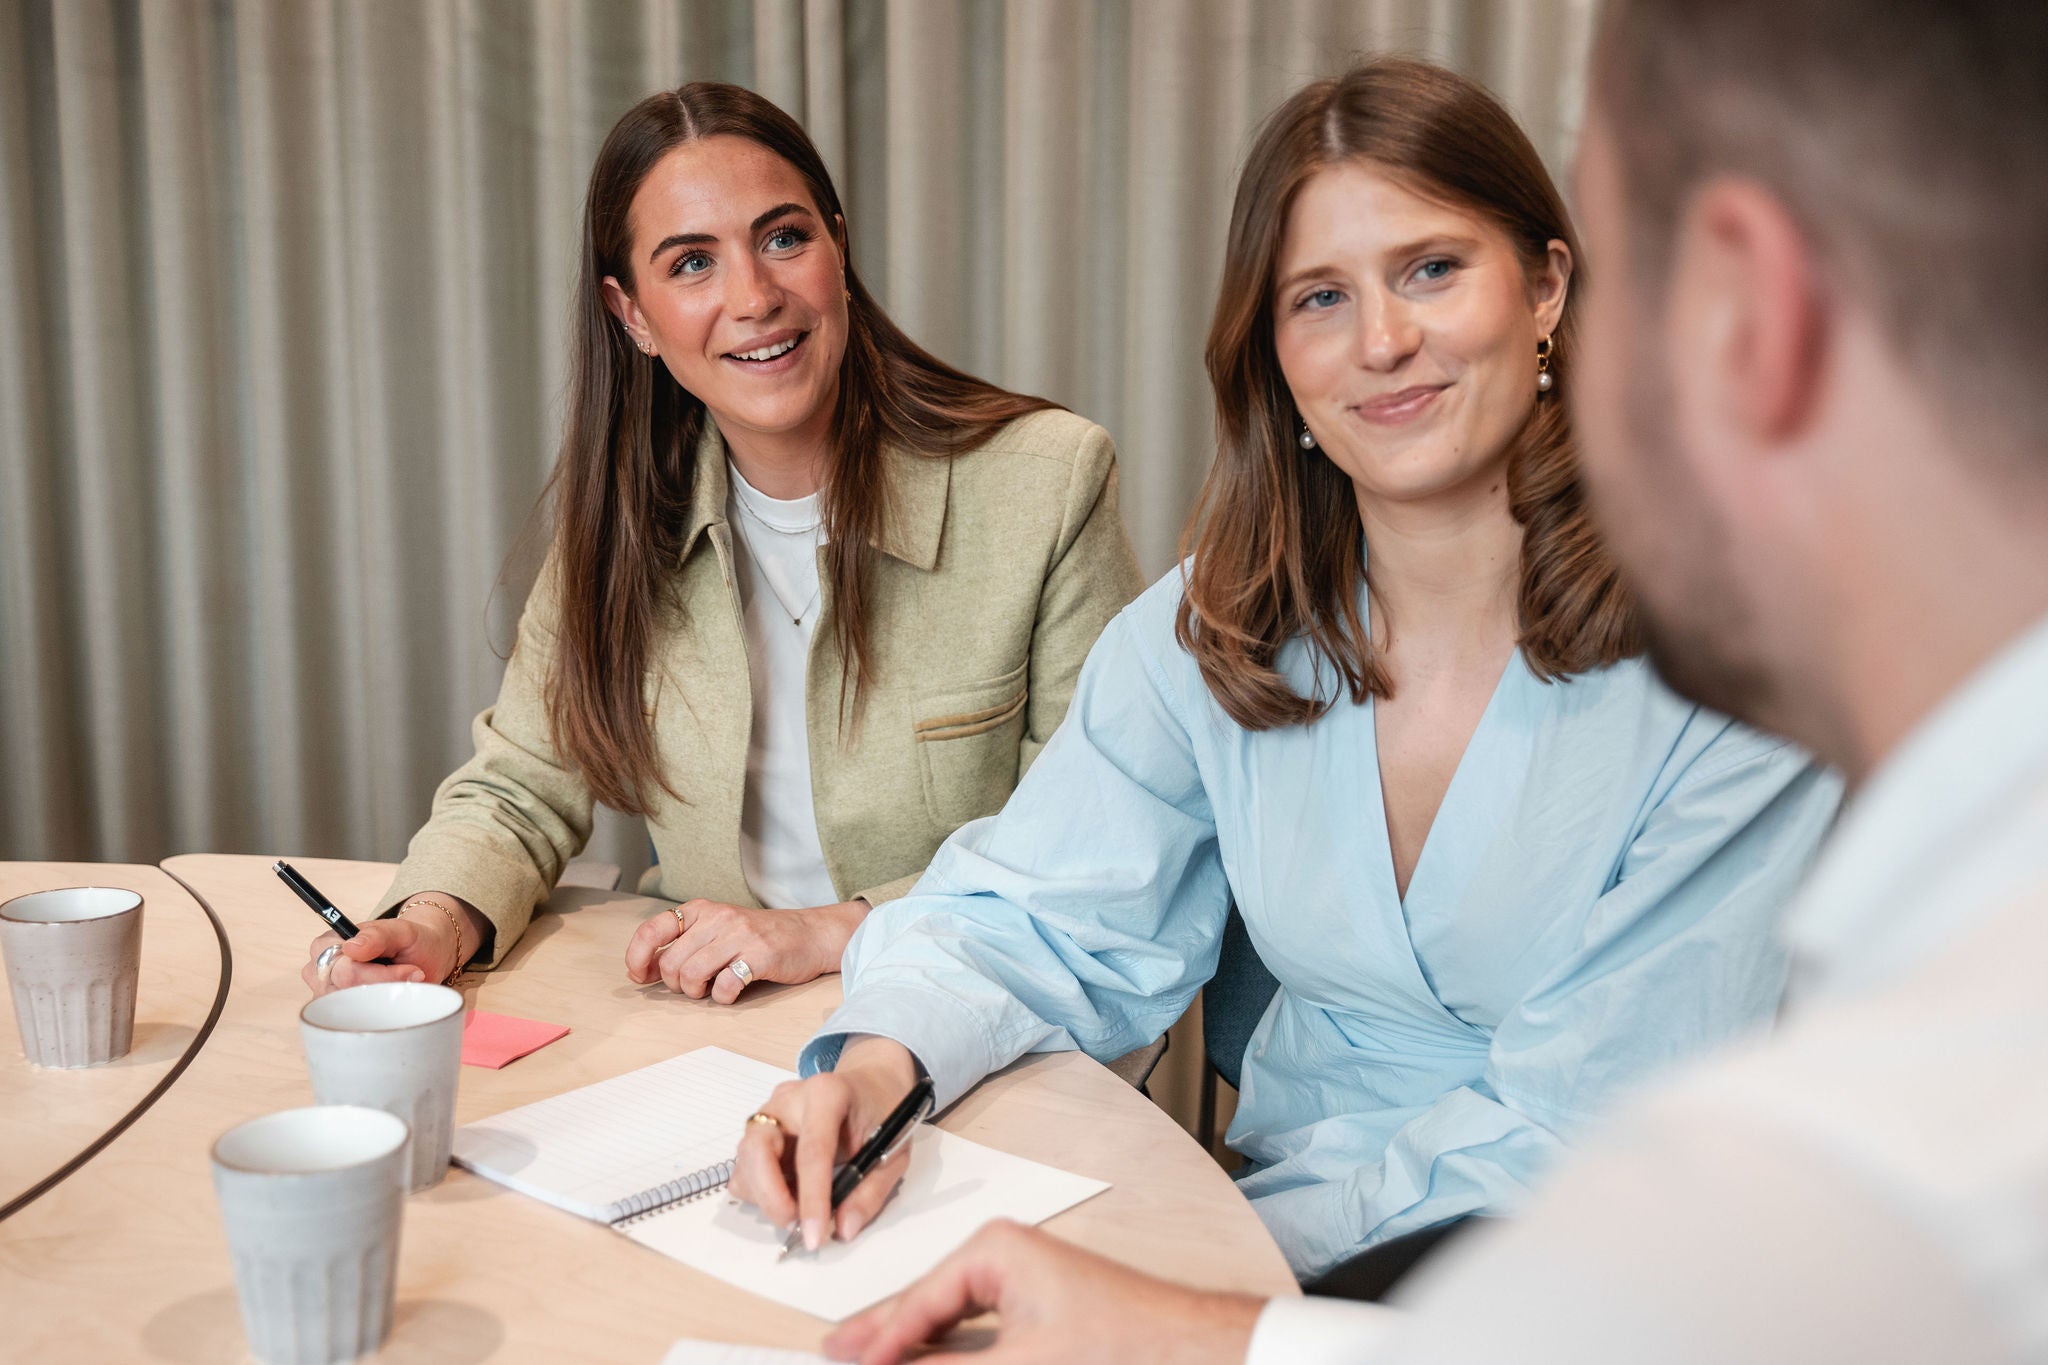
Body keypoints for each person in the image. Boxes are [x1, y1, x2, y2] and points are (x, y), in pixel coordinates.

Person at [814, 2, 2048, 1362]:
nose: (1383, 341)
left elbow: (1581, 1128)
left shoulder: (1729, 661)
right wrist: (878, 1061)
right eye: (1321, 298)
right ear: (1271, 354)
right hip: (1245, 1241)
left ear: (1552, 290)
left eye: (1433, 270)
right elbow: (1037, 912)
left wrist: (1207, 1285)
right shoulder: (1210, 632)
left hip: (1544, 1272)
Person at [299, 83, 1143, 1000]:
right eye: (692, 264)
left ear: (838, 246)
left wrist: (826, 932)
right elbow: (520, 787)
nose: (754, 296)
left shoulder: (1047, 480)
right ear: (633, 317)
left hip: (981, 997)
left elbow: (1090, 833)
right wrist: (434, 920)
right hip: (720, 1021)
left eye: (784, 237)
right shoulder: (621, 521)